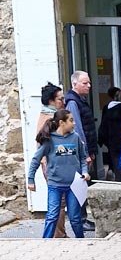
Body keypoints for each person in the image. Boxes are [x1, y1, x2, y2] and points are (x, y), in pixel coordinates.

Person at [27, 108, 88, 239]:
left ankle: (81, 242)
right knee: (52, 216)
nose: (74, 123)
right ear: (62, 122)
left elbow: (83, 157)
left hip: (73, 185)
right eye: (71, 120)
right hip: (55, 185)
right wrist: (31, 179)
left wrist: (85, 172)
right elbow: (35, 160)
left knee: (75, 217)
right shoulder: (49, 140)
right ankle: (45, 242)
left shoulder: (75, 138)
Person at [65, 69, 98, 230]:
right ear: (75, 84)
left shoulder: (80, 100)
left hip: (86, 150)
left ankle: (81, 218)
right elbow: (77, 129)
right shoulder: (73, 102)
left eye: (89, 82)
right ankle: (79, 219)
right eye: (85, 83)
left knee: (83, 184)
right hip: (80, 153)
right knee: (80, 184)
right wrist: (85, 153)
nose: (89, 86)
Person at [35, 83, 67, 238]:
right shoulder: (50, 119)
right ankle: (58, 235)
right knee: (59, 201)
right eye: (60, 99)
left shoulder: (46, 115)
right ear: (51, 101)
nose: (64, 101)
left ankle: (57, 234)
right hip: (52, 164)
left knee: (58, 201)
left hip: (50, 163)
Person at [98, 88, 121, 177]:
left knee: (116, 165)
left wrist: (101, 140)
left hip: (112, 141)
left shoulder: (107, 109)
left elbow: (103, 126)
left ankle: (118, 179)